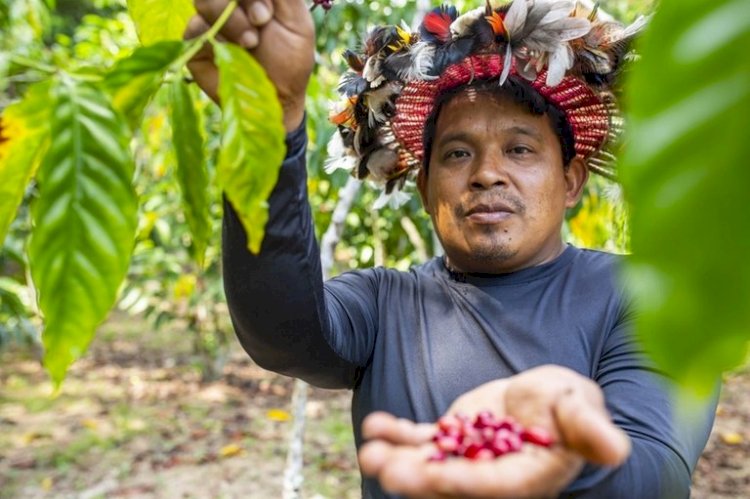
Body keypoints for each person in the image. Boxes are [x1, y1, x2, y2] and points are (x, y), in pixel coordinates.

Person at [185, 0, 716, 497]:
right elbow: (282, 330)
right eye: (458, 153)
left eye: (520, 149)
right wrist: (270, 124)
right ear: (424, 189)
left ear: (571, 180)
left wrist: (552, 444)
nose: (487, 174)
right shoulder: (383, 303)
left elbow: (655, 470)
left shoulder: (643, 299)